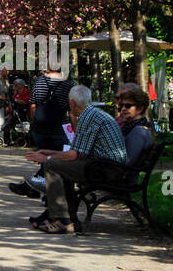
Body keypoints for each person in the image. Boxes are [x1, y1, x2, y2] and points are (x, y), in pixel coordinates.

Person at [25, 84, 127, 234]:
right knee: (59, 164)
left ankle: (60, 219)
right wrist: (50, 152)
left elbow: (74, 155)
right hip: (108, 166)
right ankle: (67, 217)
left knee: (51, 165)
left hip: (107, 169)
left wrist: (46, 157)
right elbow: (78, 153)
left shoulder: (87, 116)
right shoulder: (93, 113)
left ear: (72, 103)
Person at [29, 65, 74, 150]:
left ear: (49, 66)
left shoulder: (38, 82)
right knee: (57, 159)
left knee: (42, 156)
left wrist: (34, 123)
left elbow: (32, 106)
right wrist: (74, 130)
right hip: (60, 130)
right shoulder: (68, 85)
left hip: (40, 130)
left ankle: (44, 164)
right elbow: (71, 111)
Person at [115, 84, 155, 165]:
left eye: (128, 106)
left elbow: (128, 161)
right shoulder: (130, 128)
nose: (123, 109)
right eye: (121, 105)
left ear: (140, 108)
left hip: (121, 175)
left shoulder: (139, 132)